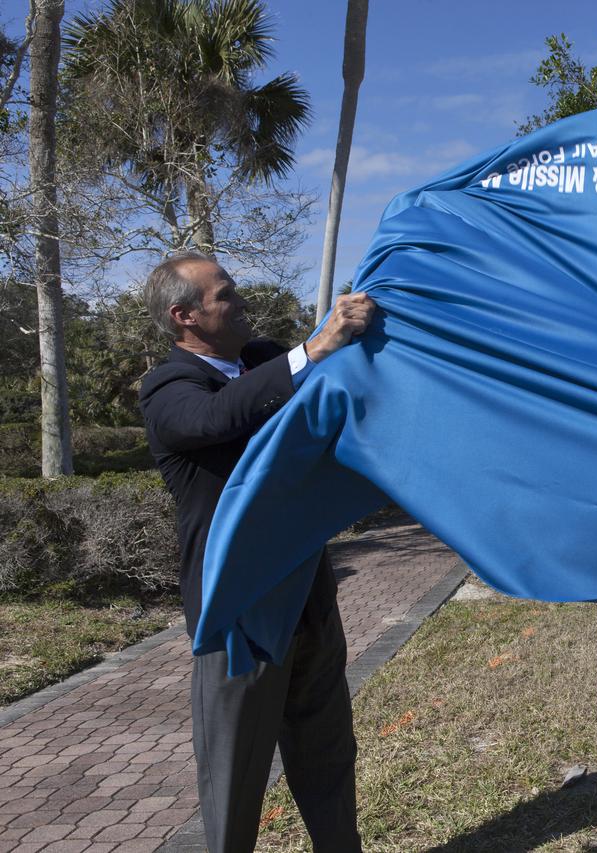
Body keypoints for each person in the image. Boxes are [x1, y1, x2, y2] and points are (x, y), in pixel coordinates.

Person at [139, 251, 375, 853]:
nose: (242, 302)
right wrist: (312, 349)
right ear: (184, 317)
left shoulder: (266, 358)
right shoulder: (169, 386)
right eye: (225, 295)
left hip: (310, 601)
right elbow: (218, 417)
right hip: (239, 617)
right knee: (234, 780)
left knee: (328, 759)